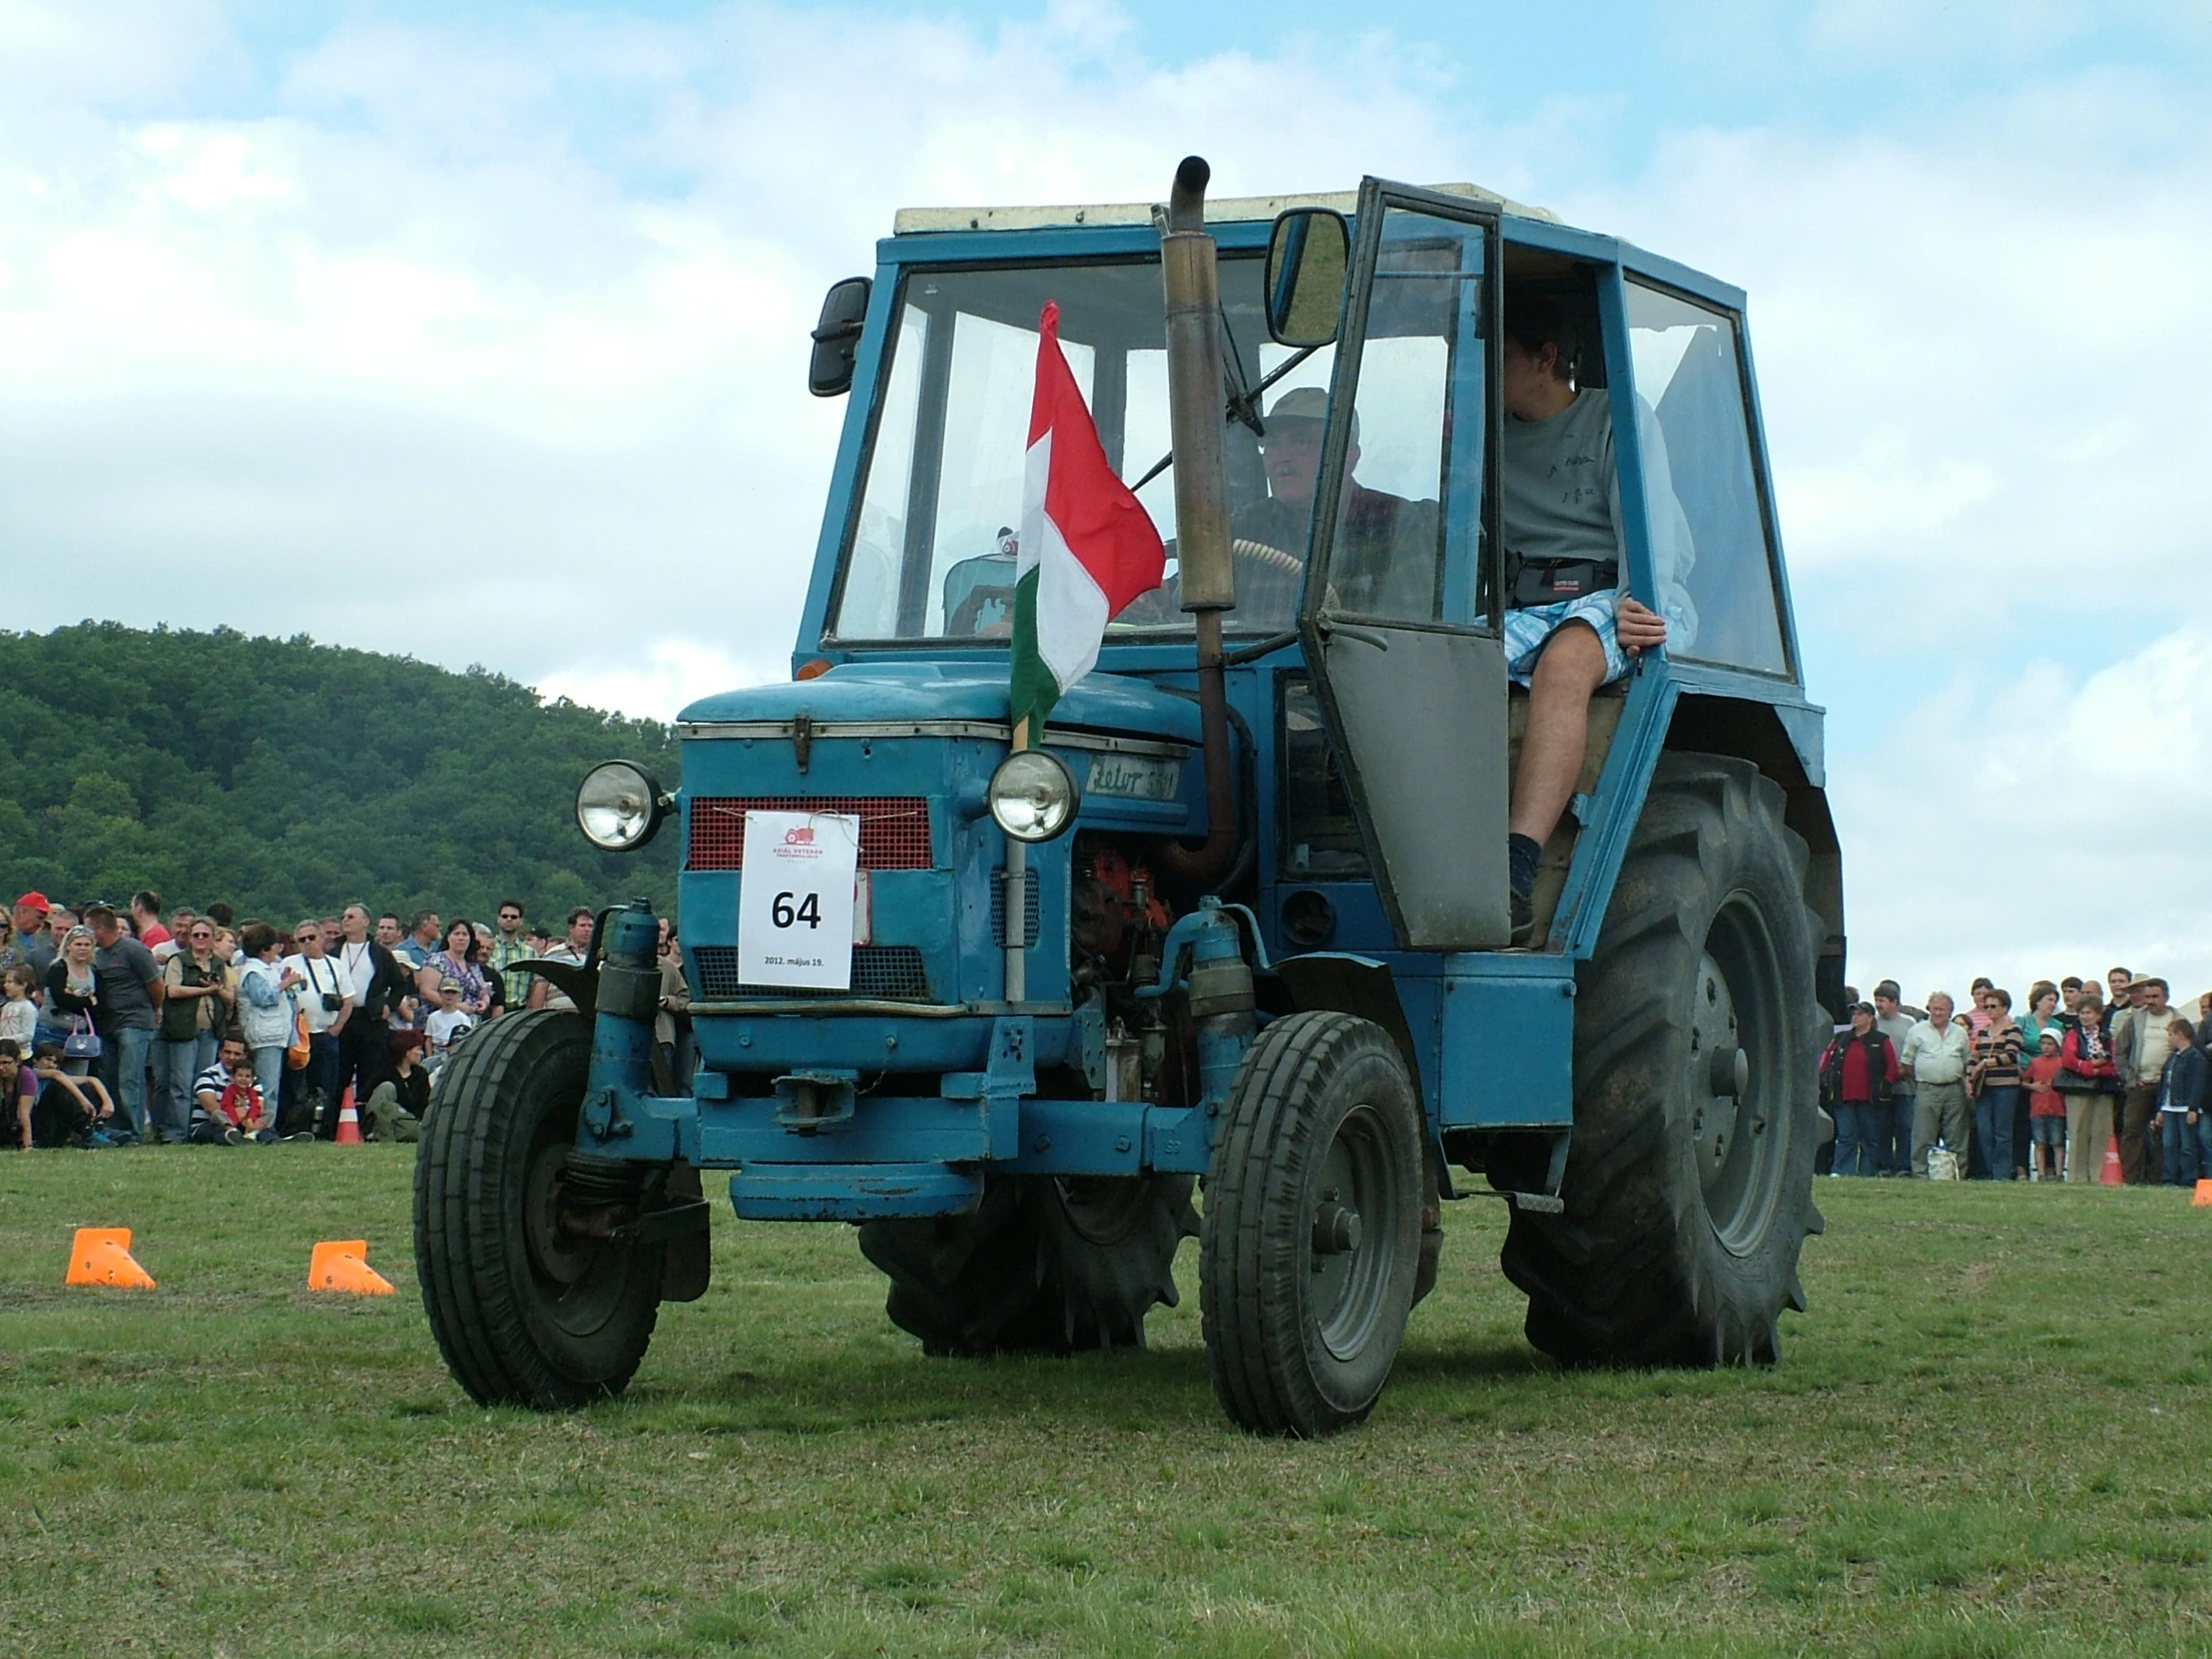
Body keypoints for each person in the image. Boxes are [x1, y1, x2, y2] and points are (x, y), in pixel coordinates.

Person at [1497, 295, 1696, 941]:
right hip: (1524, 599)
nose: (1483, 371)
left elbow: (1651, 533)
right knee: (1447, 664)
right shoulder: (1484, 437)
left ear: (1545, 358)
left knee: (1567, 662)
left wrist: (1645, 604)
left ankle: (1515, 864)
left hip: (1611, 593)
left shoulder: (1615, 419)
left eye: (1497, 355)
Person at [86, 903, 164, 1143]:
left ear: (100, 929)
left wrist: (155, 1008)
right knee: (109, 1076)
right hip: (107, 1023)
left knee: (130, 1078)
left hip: (134, 1020)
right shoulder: (96, 955)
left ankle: (134, 1130)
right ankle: (115, 1128)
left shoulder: (133, 950)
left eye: (89, 928)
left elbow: (155, 984)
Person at [332, 903, 412, 1131]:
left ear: (365, 922)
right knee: (340, 1073)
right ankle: (334, 1124)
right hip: (342, 1018)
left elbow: (399, 984)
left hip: (371, 1019)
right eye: (344, 916)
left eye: (351, 916)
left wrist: (389, 1005)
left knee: (370, 1074)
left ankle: (367, 1126)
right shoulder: (334, 950)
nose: (345, 920)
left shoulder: (379, 953)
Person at [155, 921, 235, 1145]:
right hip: (183, 1029)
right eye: (196, 934)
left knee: (202, 1083)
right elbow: (172, 990)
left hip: (210, 1028)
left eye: (205, 934)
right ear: (189, 938)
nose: (200, 938)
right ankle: (176, 1132)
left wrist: (218, 990)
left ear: (212, 939)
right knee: (180, 1084)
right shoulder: (178, 960)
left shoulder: (219, 964)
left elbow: (230, 997)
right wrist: (205, 990)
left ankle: (197, 1131)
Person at [281, 917, 352, 1136]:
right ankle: (293, 1127)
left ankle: (324, 1130)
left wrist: (338, 1026)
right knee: (294, 1086)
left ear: (321, 938)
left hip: (325, 1033)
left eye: (311, 937)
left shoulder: (335, 965)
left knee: (326, 1086)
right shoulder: (289, 963)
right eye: (301, 940)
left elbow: (348, 999)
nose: (307, 942)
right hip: (299, 1036)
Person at [2112, 977, 2182, 1185]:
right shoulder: (2135, 1019)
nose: (2150, 1001)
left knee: (2164, 1134)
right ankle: (2130, 1178)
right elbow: (2120, 1051)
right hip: (2139, 1084)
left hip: (2167, 1086)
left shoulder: (2177, 1019)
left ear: (2166, 997)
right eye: (2148, 997)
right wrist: (2128, 1078)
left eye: (2155, 997)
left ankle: (2159, 1178)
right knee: (2132, 1131)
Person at [1819, 1001, 1897, 1177]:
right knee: (1846, 1135)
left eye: (1860, 1014)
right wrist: (1823, 1079)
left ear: (1870, 1018)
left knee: (1870, 1137)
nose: (1855, 1017)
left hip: (1870, 1098)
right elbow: (1826, 1060)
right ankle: (1841, 1170)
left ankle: (1867, 1171)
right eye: (1854, 1014)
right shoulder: (1841, 1038)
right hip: (1843, 1096)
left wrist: (1884, 1086)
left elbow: (1892, 1067)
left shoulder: (1880, 1039)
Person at [1900, 992, 1971, 1178]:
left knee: (1956, 1136)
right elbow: (1907, 1062)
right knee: (1923, 1135)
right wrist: (1924, 1078)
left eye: (1942, 1009)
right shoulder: (1917, 1031)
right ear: (1929, 1008)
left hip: (1954, 1089)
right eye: (1935, 1009)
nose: (1938, 1013)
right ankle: (1921, 1174)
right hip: (1927, 1089)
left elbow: (1966, 1061)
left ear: (1950, 1012)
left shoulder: (1960, 1033)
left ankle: (1956, 1174)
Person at [234, 923, 302, 1108]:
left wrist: (283, 982)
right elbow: (263, 998)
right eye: (274, 944)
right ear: (264, 949)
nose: (278, 948)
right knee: (266, 1088)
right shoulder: (253, 971)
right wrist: (286, 983)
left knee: (273, 1087)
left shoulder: (267, 969)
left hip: (274, 1034)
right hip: (264, 1035)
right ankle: (262, 1128)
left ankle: (267, 1126)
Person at [2058, 1000, 2120, 1183]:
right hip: (2078, 1087)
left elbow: (2113, 1061)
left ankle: (2098, 1173)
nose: (2085, 1017)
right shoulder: (2073, 1035)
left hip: (2102, 1087)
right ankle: (2077, 1176)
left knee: (2101, 1130)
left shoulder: (2106, 1037)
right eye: (2082, 1013)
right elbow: (2069, 1059)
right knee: (2078, 1130)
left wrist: (2099, 1070)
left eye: (2089, 1013)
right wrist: (2088, 1067)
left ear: (2098, 1016)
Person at [1967, 988, 2024, 1181]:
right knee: (1984, 1129)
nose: (1989, 1010)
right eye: (1986, 1006)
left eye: (1993, 1006)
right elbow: (1975, 1055)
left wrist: (1985, 1063)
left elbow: (2011, 1055)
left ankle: (2001, 1173)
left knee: (2002, 1131)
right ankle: (1990, 1170)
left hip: (2006, 1086)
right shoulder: (1983, 1031)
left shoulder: (2013, 1029)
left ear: (2004, 1008)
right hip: (1984, 1087)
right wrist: (1970, 1073)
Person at [1871, 981, 1922, 1176]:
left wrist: (1903, 1069)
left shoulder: (1909, 1023)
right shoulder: (1873, 1023)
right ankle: (1884, 1165)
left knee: (1905, 1126)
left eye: (1882, 1000)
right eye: (1877, 1000)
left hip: (1905, 1084)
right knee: (1882, 1127)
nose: (1878, 1004)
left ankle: (1903, 1166)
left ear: (1894, 1002)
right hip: (1881, 1085)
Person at [25, 1043, 118, 1148]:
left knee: (87, 1088)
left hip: (56, 1125)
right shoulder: (29, 1074)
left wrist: (107, 1102)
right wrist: (83, 1101)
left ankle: (97, 1129)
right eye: (48, 1059)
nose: (51, 1065)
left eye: (55, 1063)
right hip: (38, 1126)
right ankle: (90, 1133)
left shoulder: (56, 1078)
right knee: (58, 1087)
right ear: (35, 1060)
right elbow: (57, 1075)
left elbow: (92, 1079)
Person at [39, 924, 102, 1077]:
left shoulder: (93, 971)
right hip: (52, 1030)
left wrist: (74, 997)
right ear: (68, 946)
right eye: (78, 944)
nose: (83, 948)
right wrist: (87, 1001)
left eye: (87, 944)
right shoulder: (58, 968)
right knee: (50, 1078)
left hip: (81, 1033)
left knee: (78, 1079)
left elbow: (101, 1003)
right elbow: (61, 1000)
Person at [191, 1035, 273, 1145]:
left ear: (244, 1056)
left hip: (244, 1123)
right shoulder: (207, 1075)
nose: (231, 1057)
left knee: (268, 1116)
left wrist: (248, 1120)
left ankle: (272, 1139)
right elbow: (210, 1106)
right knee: (217, 1122)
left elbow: (259, 1107)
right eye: (227, 1052)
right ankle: (236, 1136)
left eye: (237, 1054)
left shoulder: (252, 1080)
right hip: (210, 1124)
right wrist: (236, 1112)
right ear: (220, 1054)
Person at [2154, 1017, 2203, 1187]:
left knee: (2187, 1146)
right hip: (2169, 1107)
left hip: (2184, 1108)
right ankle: (2169, 1178)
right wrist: (2160, 1108)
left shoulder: (2195, 1057)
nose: (2168, 1038)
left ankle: (2188, 1178)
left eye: (2170, 1034)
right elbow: (2165, 1084)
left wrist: (2193, 1108)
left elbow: (2197, 1084)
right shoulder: (2173, 1058)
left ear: (2180, 1035)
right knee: (2169, 1144)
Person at [415, 919, 491, 1019]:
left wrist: (484, 1002)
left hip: (470, 1025)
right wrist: (457, 1007)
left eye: (465, 934)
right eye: (456, 934)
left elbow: (483, 991)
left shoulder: (473, 966)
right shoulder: (436, 960)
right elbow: (427, 992)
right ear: (448, 937)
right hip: (440, 1023)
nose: (461, 938)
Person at [363, 1028, 429, 1142]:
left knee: (418, 1131)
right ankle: (384, 1136)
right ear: (406, 1052)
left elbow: (424, 1106)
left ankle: (380, 1135)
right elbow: (365, 1100)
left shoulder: (420, 1074)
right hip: (384, 1120)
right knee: (386, 1088)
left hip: (409, 1122)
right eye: (418, 1049)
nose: (421, 1053)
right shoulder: (384, 1073)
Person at [528, 908, 596, 1012]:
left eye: (590, 926)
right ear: (571, 928)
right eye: (582, 925)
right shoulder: (553, 954)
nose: (587, 930)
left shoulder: (598, 957)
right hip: (558, 1019)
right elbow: (540, 988)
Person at [2023, 1027, 2068, 1182]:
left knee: (2058, 1142)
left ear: (2057, 1046)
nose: (2046, 1047)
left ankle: (2059, 1173)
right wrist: (2032, 1086)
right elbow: (2023, 1080)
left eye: (2050, 1044)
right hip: (2038, 1108)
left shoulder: (2062, 1063)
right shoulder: (2035, 1062)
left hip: (2058, 1108)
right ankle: (2041, 1174)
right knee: (2039, 1142)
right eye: (2043, 1043)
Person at [490, 899, 533, 1007]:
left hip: (519, 1012)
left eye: (514, 917)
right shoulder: (488, 948)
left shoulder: (530, 953)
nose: (509, 919)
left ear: (521, 921)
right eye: (505, 916)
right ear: (498, 919)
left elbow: (534, 986)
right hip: (492, 1010)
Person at [423, 980, 475, 1068]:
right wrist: (430, 1057)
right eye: (446, 992)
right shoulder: (433, 1017)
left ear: (459, 995)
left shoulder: (463, 1018)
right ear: (440, 994)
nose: (449, 995)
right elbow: (428, 1040)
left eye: (453, 992)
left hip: (454, 1052)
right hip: (437, 1051)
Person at [14, 892, 57, 977]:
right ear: (23, 912)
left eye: (44, 920)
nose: (41, 924)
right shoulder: (5, 938)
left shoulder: (41, 940)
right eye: (39, 918)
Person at [0, 965, 38, 1052]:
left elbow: (27, 1035)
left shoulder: (27, 1007)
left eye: (10, 982)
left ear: (23, 985)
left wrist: (3, 1039)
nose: (5, 985)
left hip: (22, 1054)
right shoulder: (7, 1005)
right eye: (5, 982)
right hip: (5, 1052)